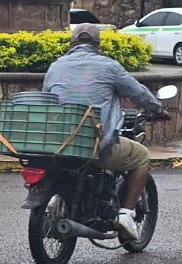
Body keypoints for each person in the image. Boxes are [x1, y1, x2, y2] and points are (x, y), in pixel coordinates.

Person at [43, 22, 167, 240]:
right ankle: (126, 215)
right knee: (141, 157)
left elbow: (47, 97)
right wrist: (157, 109)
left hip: (58, 143)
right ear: (98, 44)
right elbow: (138, 93)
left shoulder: (56, 66)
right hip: (94, 144)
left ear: (71, 44)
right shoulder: (109, 67)